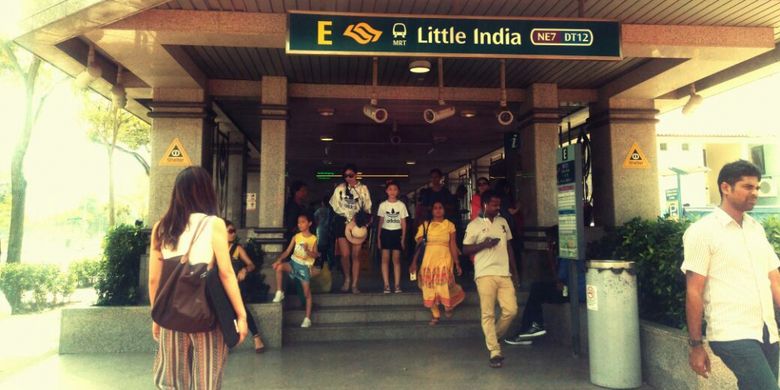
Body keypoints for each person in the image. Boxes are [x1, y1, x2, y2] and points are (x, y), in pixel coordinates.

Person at [682, 160, 780, 389]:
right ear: (726, 188)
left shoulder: (756, 228)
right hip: (731, 332)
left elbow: (774, 279)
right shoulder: (702, 232)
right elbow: (693, 291)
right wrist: (696, 345)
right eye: (748, 187)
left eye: (757, 187)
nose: (755, 193)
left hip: (767, 330)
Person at [148, 166, 248, 389]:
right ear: (206, 192)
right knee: (206, 380)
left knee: (171, 381)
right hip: (206, 316)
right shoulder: (214, 224)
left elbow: (154, 280)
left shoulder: (161, 227)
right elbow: (226, 273)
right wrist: (241, 316)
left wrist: (156, 315)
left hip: (170, 316)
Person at [463, 190, 519, 369]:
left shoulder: (503, 222)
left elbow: (509, 246)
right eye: (494, 204)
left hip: (504, 273)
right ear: (485, 205)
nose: (497, 207)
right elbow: (465, 249)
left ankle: (492, 335)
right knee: (488, 313)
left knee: (511, 310)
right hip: (484, 273)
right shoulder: (474, 225)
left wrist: (515, 271)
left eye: (498, 204)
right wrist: (485, 244)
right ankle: (495, 351)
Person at [504, 226, 586, 346]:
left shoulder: (566, 253)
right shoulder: (572, 249)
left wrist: (550, 256)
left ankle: (533, 325)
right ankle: (529, 327)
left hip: (573, 291)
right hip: (573, 288)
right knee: (537, 288)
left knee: (537, 289)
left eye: (549, 239)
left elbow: (559, 281)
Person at [410, 201, 465, 325]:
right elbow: (419, 246)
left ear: (444, 210)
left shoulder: (449, 225)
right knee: (429, 287)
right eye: (435, 208)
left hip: (444, 258)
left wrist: (457, 263)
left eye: (441, 208)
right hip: (428, 261)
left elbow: (453, 244)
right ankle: (435, 314)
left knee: (443, 283)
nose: (438, 210)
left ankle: (448, 305)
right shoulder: (425, 226)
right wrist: (413, 263)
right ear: (432, 211)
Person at [329, 164, 372, 294]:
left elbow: (367, 206)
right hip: (342, 222)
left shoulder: (363, 188)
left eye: (351, 175)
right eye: (346, 176)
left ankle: (354, 284)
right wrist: (347, 216)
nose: (348, 178)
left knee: (356, 255)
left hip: (358, 223)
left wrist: (361, 219)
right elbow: (335, 205)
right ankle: (347, 279)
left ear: (356, 175)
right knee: (345, 254)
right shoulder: (340, 189)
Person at [271, 213, 319, 328]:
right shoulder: (296, 237)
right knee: (279, 267)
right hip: (293, 263)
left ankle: (307, 318)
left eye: (303, 222)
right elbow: (287, 252)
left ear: (309, 223)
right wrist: (279, 260)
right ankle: (279, 292)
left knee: (307, 293)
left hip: (304, 267)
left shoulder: (313, 239)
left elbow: (315, 255)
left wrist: (308, 251)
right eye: (298, 222)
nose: (300, 224)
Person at [225, 220, 265, 353]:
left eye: (234, 231)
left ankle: (256, 336)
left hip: (237, 285)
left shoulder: (237, 249)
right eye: (230, 231)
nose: (233, 234)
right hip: (223, 285)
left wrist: (244, 270)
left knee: (239, 307)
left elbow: (251, 265)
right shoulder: (216, 248)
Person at [377, 181, 409, 294]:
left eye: (395, 189)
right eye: (390, 189)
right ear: (386, 191)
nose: (392, 191)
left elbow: (403, 223)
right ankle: (386, 285)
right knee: (385, 259)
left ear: (398, 191)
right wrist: (378, 238)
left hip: (397, 233)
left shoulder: (401, 205)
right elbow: (380, 222)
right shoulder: (383, 205)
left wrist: (403, 238)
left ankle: (397, 285)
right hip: (385, 233)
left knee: (396, 260)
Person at [314, 195, 335, 270]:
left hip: (320, 230)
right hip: (329, 231)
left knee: (320, 248)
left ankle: (320, 264)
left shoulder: (319, 210)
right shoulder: (332, 211)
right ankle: (328, 265)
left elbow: (315, 219)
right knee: (329, 249)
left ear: (322, 203)